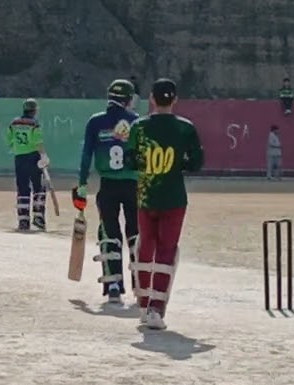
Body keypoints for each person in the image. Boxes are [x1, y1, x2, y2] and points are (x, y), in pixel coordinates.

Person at [124, 78, 203, 330]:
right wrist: (178, 164)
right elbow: (196, 163)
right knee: (167, 251)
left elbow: (129, 161)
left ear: (152, 99)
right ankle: (156, 309)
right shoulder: (185, 128)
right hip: (174, 197)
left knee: (146, 245)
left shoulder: (139, 127)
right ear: (175, 100)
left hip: (146, 196)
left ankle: (143, 301)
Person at [75, 79, 140, 304]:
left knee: (110, 232)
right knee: (136, 233)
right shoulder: (137, 122)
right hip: (134, 185)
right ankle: (141, 284)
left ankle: (113, 284)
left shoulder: (96, 122)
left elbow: (86, 157)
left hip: (108, 185)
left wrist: (82, 184)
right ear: (128, 99)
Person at [7, 98, 48, 230]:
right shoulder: (34, 124)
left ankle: (23, 220)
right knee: (39, 187)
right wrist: (44, 156)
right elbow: (38, 142)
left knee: (22, 188)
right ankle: (38, 217)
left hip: (19, 157)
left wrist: (16, 148)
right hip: (33, 156)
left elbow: (9, 140)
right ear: (34, 110)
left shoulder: (14, 123)